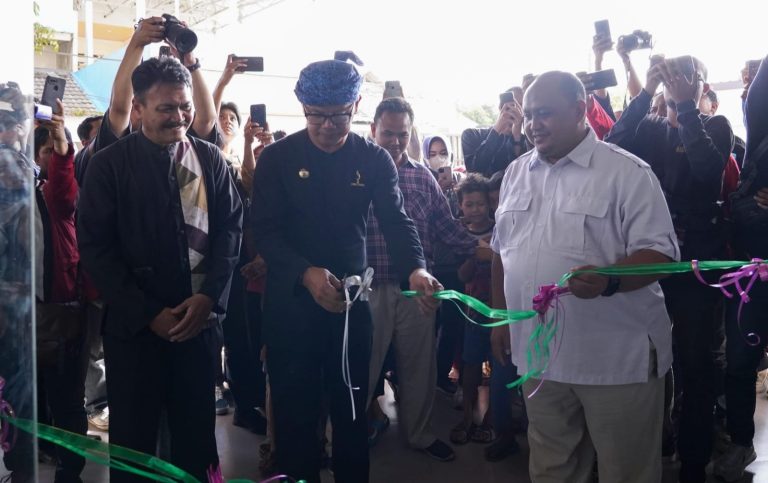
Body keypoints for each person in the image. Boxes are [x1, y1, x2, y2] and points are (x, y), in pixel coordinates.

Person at [250, 53, 441, 483]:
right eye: (315, 116)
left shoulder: (373, 159)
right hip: (291, 308)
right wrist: (305, 272)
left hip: (351, 310)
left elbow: (397, 219)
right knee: (296, 420)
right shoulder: (278, 159)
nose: (327, 126)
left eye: (338, 116)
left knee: (353, 414)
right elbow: (265, 232)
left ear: (355, 108)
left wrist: (415, 269)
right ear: (303, 109)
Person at [493, 71, 679, 483]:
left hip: (614, 359)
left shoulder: (627, 172)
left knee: (626, 470)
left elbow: (662, 255)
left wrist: (610, 278)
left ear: (580, 111)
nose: (532, 124)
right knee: (551, 465)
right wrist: (503, 316)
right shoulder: (515, 173)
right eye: (528, 116)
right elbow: (499, 252)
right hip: (539, 357)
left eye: (545, 114)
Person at [77, 57, 243, 482]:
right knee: (134, 447)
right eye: (166, 108)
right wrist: (147, 312)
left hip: (198, 325)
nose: (180, 116)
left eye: (184, 106)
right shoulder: (108, 165)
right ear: (138, 109)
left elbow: (230, 231)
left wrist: (209, 299)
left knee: (196, 441)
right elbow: (97, 248)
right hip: (135, 331)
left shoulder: (208, 158)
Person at [606, 55, 734, 483]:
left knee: (697, 361)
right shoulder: (652, 129)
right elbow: (615, 142)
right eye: (670, 80)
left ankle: (694, 457)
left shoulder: (714, 126)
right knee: (649, 358)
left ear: (700, 83)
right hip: (652, 259)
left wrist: (686, 109)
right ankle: (657, 436)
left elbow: (708, 173)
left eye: (686, 78)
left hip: (697, 266)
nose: (677, 85)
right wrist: (644, 94)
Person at [366, 96, 476, 461]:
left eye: (402, 134)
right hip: (367, 289)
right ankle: (348, 438)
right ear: (372, 130)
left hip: (417, 291)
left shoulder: (421, 175)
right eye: (388, 134)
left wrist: (482, 247)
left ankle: (420, 435)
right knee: (361, 369)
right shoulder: (355, 172)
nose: (395, 141)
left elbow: (446, 227)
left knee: (419, 367)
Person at [715, 54, 768, 482]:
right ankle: (738, 441)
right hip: (750, 274)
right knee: (738, 362)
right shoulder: (757, 151)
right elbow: (741, 207)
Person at [451, 174, 495, 446]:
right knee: (471, 362)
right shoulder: (459, 234)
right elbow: (462, 276)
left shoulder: (500, 228)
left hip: (500, 308)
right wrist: (472, 252)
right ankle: (468, 414)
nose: (476, 209)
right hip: (472, 309)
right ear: (461, 206)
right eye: (470, 204)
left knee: (500, 363)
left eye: (480, 203)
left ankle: (492, 418)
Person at [461, 88, 529, 177]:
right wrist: (497, 129)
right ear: (501, 107)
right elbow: (474, 171)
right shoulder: (471, 135)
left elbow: (521, 176)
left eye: (522, 106)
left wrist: (517, 137)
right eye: (514, 105)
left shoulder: (528, 142)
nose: (517, 110)